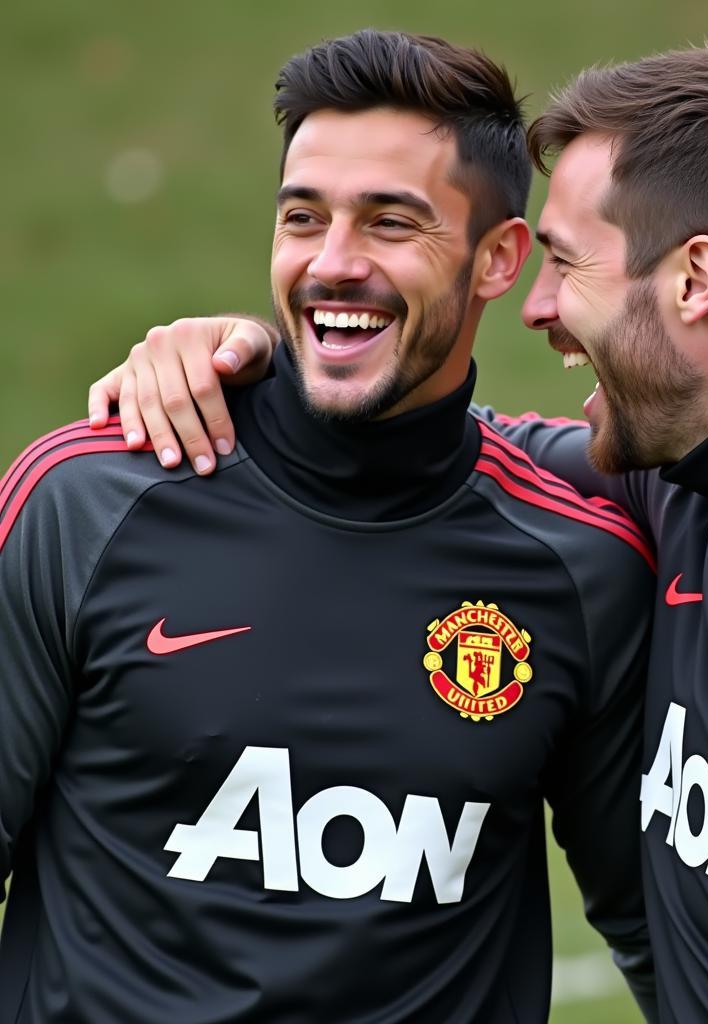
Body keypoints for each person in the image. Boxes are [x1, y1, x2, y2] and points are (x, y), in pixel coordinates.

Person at [102, 44, 708, 1022]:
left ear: (692, 279)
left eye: (566, 261)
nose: (535, 306)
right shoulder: (672, 481)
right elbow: (427, 456)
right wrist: (240, 364)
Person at [0, 31, 660, 1024]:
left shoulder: (582, 557)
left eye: (391, 223)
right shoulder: (87, 499)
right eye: (304, 217)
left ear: (497, 261)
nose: (333, 264)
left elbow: (657, 930)